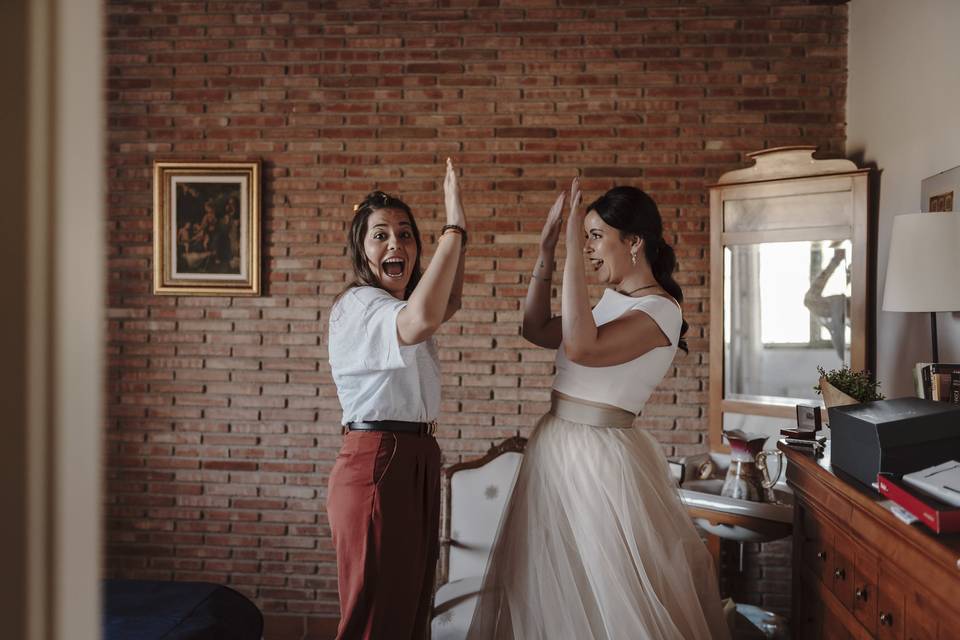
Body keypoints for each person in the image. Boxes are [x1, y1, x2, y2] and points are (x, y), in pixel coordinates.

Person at [467, 179, 731, 639]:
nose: (588, 249)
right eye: (585, 236)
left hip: (600, 459)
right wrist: (548, 249)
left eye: (595, 236)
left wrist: (570, 245)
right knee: (552, 585)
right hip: (555, 444)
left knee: (608, 588)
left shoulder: (660, 311)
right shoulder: (610, 303)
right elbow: (535, 328)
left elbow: (583, 348)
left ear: (633, 242)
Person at [326, 159, 467, 640]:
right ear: (361, 251)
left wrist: (458, 229)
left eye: (406, 235)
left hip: (416, 457)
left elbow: (446, 302)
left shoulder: (399, 306)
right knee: (376, 620)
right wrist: (452, 223)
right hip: (380, 460)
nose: (396, 244)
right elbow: (425, 317)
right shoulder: (361, 305)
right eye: (380, 235)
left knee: (408, 616)